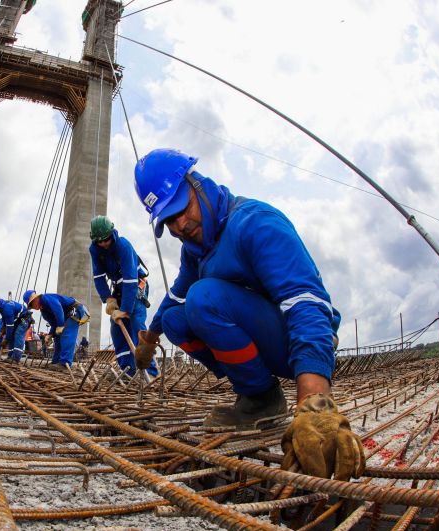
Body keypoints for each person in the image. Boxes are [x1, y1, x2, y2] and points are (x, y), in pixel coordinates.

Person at [132, 148, 364, 481]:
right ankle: (259, 395)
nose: (180, 224)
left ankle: (262, 394)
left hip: (300, 345)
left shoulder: (255, 223)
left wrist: (314, 400)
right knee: (175, 320)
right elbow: (175, 295)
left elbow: (305, 303)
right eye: (168, 219)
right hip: (263, 340)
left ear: (197, 184)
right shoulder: (194, 250)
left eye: (181, 207)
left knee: (203, 298)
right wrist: (151, 337)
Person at [88, 215, 158, 377]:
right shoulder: (94, 250)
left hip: (135, 286)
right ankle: (128, 370)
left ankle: (150, 372)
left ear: (112, 234)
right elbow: (98, 277)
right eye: (100, 241)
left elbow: (130, 280)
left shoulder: (123, 246)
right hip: (118, 288)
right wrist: (108, 298)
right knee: (117, 329)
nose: (104, 244)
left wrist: (126, 309)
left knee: (136, 324)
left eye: (106, 239)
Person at [23, 289, 89, 371]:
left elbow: (58, 308)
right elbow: (54, 323)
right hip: (65, 315)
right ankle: (56, 361)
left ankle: (65, 363)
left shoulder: (46, 298)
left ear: (35, 299)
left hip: (74, 310)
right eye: (31, 306)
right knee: (57, 337)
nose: (33, 307)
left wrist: (60, 325)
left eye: (32, 304)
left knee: (67, 334)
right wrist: (50, 335)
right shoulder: (44, 312)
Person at [0, 294, 28, 363]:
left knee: (18, 334)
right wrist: (2, 331)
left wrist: (6, 340)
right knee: (12, 335)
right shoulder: (2, 307)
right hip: (18, 319)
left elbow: (10, 328)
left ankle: (16, 358)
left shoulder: (7, 309)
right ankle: (10, 356)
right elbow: (5, 322)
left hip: (24, 319)